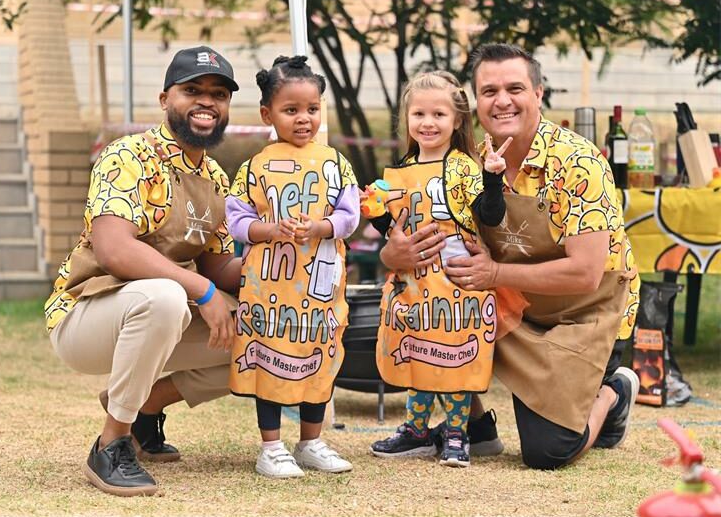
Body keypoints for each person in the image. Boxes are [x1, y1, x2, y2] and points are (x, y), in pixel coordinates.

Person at [380, 43, 641, 470]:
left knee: (548, 451)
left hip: (582, 313)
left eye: (515, 88)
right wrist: (395, 254)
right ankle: (473, 427)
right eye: (489, 91)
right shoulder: (469, 162)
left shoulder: (577, 162)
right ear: (476, 103)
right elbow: (436, 238)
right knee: (438, 308)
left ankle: (612, 394)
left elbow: (587, 273)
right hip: (510, 306)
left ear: (538, 93)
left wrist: (495, 272)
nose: (502, 100)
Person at [44, 46, 242, 496]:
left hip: (155, 318)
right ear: (164, 98)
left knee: (262, 332)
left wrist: (285, 262)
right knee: (166, 297)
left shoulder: (215, 177)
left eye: (218, 93)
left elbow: (219, 265)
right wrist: (203, 292)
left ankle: (144, 411)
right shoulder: (130, 155)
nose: (206, 102)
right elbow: (114, 251)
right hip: (85, 316)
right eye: (192, 90)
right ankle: (110, 445)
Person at [366, 71, 523, 468]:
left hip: (459, 280)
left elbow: (491, 215)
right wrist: (377, 215)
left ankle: (457, 433)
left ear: (457, 121)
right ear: (406, 120)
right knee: (419, 353)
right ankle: (417, 431)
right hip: (415, 283)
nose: (428, 122)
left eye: (438, 114)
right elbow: (394, 231)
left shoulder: (465, 167)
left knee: (456, 358)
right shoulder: (399, 171)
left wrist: (491, 178)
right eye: (419, 113)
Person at [226, 56, 360, 478]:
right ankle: (271, 447)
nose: (304, 119)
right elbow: (235, 220)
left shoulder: (336, 163)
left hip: (320, 291)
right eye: (291, 110)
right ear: (268, 113)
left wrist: (323, 226)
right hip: (269, 293)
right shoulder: (254, 167)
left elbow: (351, 214)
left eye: (312, 109)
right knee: (270, 359)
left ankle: (311, 441)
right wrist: (268, 230)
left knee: (319, 358)